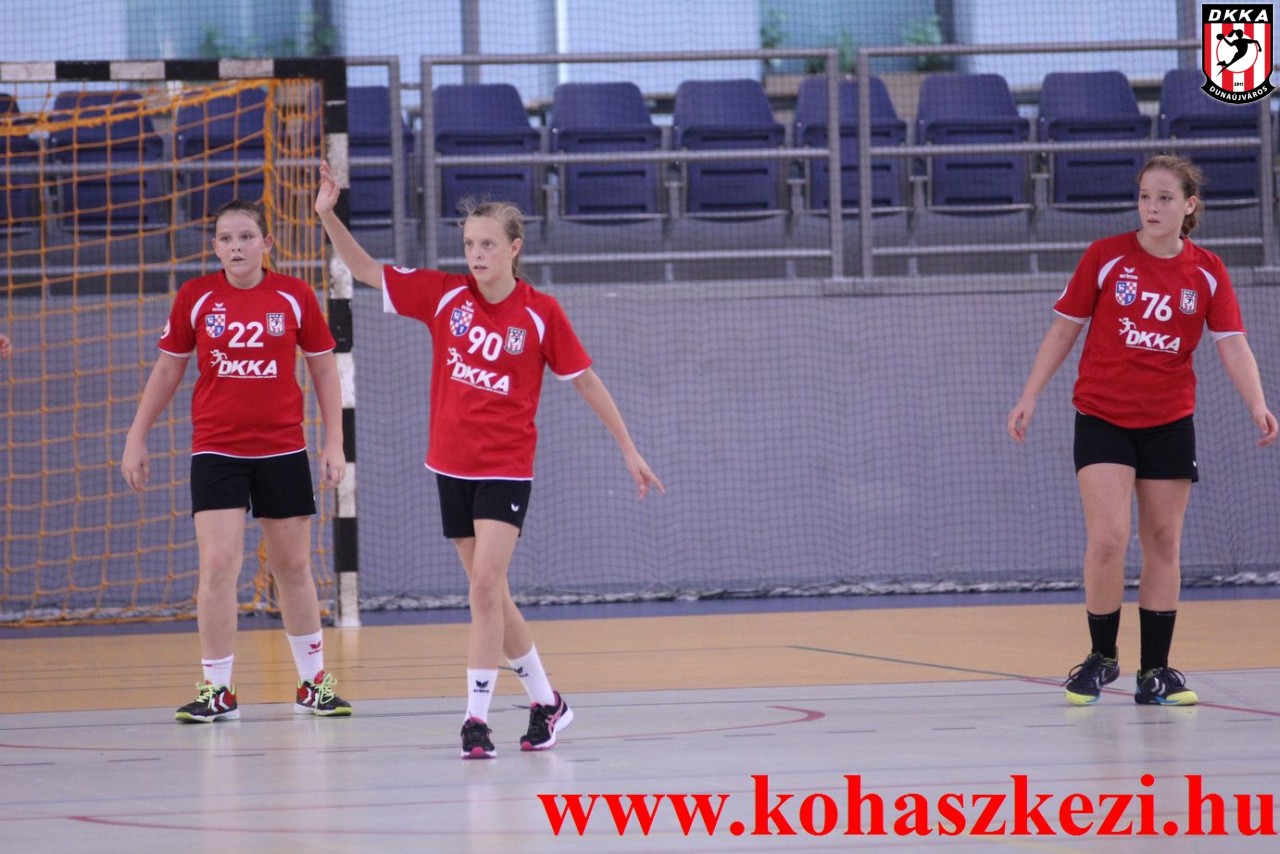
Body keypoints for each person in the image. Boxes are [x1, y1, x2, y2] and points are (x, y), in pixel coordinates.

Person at [315, 161, 663, 758]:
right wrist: (327, 214)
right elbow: (367, 269)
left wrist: (629, 449)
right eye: (470, 244)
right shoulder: (445, 295)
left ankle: (475, 720)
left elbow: (586, 381)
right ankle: (548, 703)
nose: (476, 255)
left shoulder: (540, 313)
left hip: (505, 467)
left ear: (514, 249)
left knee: (482, 588)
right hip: (449, 466)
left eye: (487, 245)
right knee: (493, 597)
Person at [1007, 154, 1277, 707]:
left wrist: (1257, 403)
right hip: (1102, 415)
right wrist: (1030, 394)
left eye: (1164, 198)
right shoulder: (1106, 257)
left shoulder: (1207, 271)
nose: (1151, 207)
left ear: (1188, 206)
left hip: (1169, 420)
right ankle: (1101, 657)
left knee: (1164, 542)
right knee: (1108, 538)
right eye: (1145, 197)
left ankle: (1155, 671)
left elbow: (1232, 342)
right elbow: (1064, 329)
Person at [121, 199, 353, 723]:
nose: (236, 247)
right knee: (218, 564)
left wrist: (334, 442)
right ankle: (217, 690)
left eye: (246, 237)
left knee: (293, 567)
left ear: (266, 243)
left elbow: (323, 370)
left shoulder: (294, 296)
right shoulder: (196, 297)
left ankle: (313, 685)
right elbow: (167, 370)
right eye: (226, 239)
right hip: (217, 449)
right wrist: (137, 435)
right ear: (215, 247)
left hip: (282, 448)